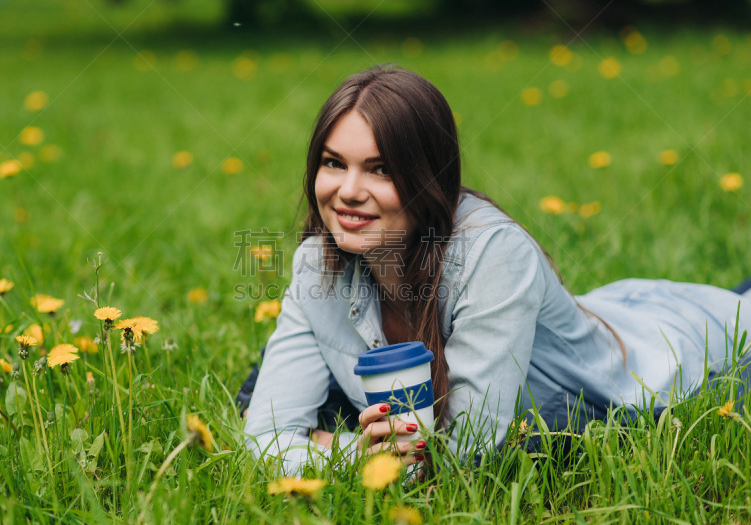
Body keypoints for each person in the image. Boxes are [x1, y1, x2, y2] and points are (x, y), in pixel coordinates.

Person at [243, 65, 751, 475]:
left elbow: (467, 456)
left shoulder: (493, 254)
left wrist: (331, 447)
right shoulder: (318, 263)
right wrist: (359, 456)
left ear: (427, 178)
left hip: (682, 355)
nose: (348, 190)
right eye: (334, 163)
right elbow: (263, 435)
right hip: (609, 311)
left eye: (381, 169)